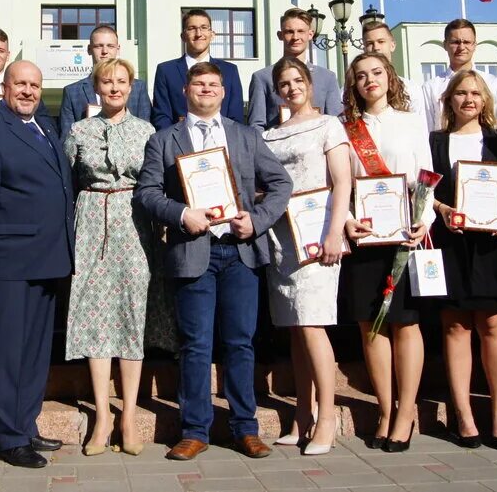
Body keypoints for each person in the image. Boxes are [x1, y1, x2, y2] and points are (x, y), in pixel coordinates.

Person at [135, 61, 293, 461]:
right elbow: (147, 194)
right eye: (198, 84)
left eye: (213, 84)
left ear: (224, 93)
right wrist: (180, 214)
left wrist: (255, 221)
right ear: (186, 91)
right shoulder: (164, 139)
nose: (206, 89)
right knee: (194, 345)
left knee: (240, 343)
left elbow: (280, 184)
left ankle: (245, 428)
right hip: (193, 252)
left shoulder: (246, 136)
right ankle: (194, 431)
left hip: (239, 252)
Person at [0, 61, 75, 469]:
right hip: (7, 262)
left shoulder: (43, 128)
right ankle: (8, 437)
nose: (27, 91)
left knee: (34, 352)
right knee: (6, 352)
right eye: (20, 84)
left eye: (34, 85)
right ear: (4, 87)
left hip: (46, 259)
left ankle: (25, 424)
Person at [63, 58, 157, 457]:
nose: (114, 87)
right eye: (107, 81)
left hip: (134, 225)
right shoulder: (78, 130)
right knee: (95, 317)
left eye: (121, 81)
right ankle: (102, 416)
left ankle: (130, 416)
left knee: (132, 313)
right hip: (92, 222)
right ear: (96, 87)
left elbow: (156, 182)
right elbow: (66, 183)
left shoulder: (148, 131)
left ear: (132, 87)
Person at [340, 53, 432, 453]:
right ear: (353, 85)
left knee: (405, 325)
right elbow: (338, 182)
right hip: (365, 235)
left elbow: (427, 175)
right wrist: (345, 219)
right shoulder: (345, 129)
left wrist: (424, 219)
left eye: (376, 72)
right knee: (370, 326)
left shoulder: (411, 122)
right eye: (361, 76)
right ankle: (384, 409)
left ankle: (407, 411)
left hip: (404, 233)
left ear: (389, 77)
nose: (369, 80)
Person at [261, 57, 353, 455]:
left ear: (310, 84)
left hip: (317, 236)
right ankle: (302, 415)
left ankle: (327, 420)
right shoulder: (269, 135)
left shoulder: (329, 125)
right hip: (281, 238)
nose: (291, 88)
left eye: (297, 80)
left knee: (313, 325)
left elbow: (343, 181)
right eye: (284, 83)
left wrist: (335, 231)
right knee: (296, 329)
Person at [428, 70, 497, 450]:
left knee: (494, 327)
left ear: (485, 101)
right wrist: (441, 208)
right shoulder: (435, 142)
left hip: (491, 246)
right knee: (455, 328)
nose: (468, 99)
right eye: (460, 93)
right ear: (449, 100)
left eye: (475, 94)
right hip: (452, 244)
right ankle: (463, 414)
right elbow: (422, 189)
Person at [247, 8, 342, 129]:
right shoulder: (262, 77)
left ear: (310, 34)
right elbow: (256, 127)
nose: (295, 37)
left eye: (301, 31)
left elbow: (337, 123)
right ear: (280, 35)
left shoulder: (327, 77)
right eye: (289, 32)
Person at [150, 9, 245, 130]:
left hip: (221, 143)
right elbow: (161, 117)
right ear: (183, 36)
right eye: (192, 28)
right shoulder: (166, 71)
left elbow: (236, 116)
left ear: (212, 34)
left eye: (204, 27)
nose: (198, 33)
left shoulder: (230, 71)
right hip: (179, 144)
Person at [419, 19, 497, 131]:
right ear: (445, 45)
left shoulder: (494, 83)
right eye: (455, 42)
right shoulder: (431, 87)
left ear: (474, 45)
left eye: (467, 42)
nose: (461, 47)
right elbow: (426, 130)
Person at [58, 25, 152, 134]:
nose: (105, 51)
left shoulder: (138, 87)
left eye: (110, 46)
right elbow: (66, 137)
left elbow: (146, 132)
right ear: (89, 49)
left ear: (118, 49)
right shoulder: (71, 92)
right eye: (99, 46)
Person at [360, 20, 425, 123]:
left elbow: (419, 127)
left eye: (381, 42)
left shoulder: (411, 89)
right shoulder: (353, 90)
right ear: (364, 48)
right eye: (370, 43)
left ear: (392, 45)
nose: (376, 47)